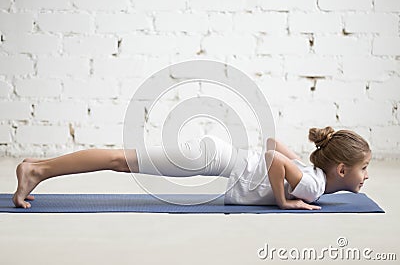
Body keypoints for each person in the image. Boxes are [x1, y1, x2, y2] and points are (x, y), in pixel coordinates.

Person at [12, 126, 371, 210]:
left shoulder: (310, 175)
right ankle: (37, 170)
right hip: (211, 158)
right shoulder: (314, 188)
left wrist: (281, 180)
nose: (367, 176)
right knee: (120, 161)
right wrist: (283, 201)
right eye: (364, 168)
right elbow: (273, 159)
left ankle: (38, 169)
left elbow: (274, 147)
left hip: (214, 154)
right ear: (341, 169)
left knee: (121, 161)